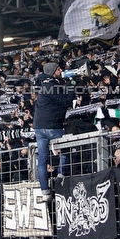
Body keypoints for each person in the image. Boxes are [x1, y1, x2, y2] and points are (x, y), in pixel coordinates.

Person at [33, 61, 73, 195]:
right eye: (58, 69)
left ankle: (45, 191)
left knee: (43, 159)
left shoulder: (42, 84)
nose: (61, 70)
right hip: (52, 125)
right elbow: (66, 102)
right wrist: (72, 85)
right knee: (66, 149)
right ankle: (61, 177)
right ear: (52, 72)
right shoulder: (52, 85)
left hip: (39, 127)